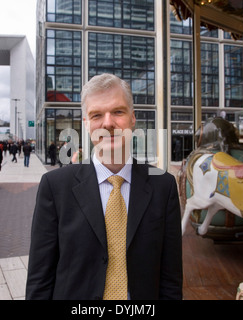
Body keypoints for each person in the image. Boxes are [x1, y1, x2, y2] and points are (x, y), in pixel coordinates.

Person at [26, 73, 183, 300]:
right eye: (97, 114)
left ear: (132, 118)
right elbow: (40, 278)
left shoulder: (163, 186)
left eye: (118, 112)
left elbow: (171, 279)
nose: (108, 123)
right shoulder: (55, 187)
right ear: (86, 123)